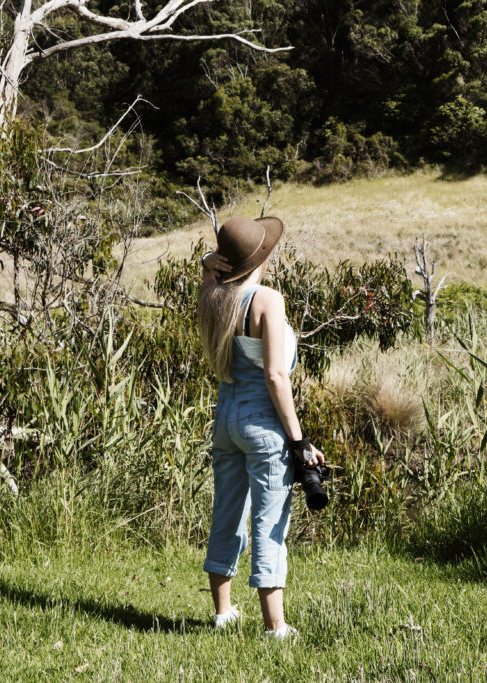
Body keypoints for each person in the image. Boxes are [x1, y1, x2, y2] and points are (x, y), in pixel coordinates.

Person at [197, 215, 325, 640]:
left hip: (225, 416)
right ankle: (275, 626)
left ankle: (223, 611)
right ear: (262, 257)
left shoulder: (214, 294)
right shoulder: (266, 299)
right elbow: (275, 376)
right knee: (270, 520)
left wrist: (208, 264)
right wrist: (299, 439)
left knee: (227, 512)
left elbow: (208, 274)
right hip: (261, 422)